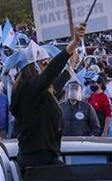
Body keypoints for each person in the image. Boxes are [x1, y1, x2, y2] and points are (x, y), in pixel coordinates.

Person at [11, 23, 85, 169]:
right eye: (44, 63)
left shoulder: (37, 91)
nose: (47, 66)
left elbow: (54, 87)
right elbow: (51, 73)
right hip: (36, 160)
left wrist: (70, 68)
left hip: (45, 155)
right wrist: (72, 45)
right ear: (33, 67)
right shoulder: (27, 88)